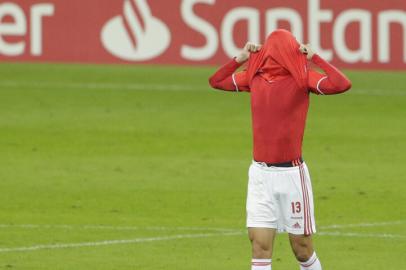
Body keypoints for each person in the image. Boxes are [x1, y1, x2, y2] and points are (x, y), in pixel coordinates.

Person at [208, 29, 352, 270]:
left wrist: (316, 59)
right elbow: (216, 81)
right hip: (260, 175)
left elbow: (342, 84)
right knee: (259, 246)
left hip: (292, 176)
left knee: (302, 249)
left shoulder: (302, 78)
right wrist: (240, 58)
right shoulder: (255, 77)